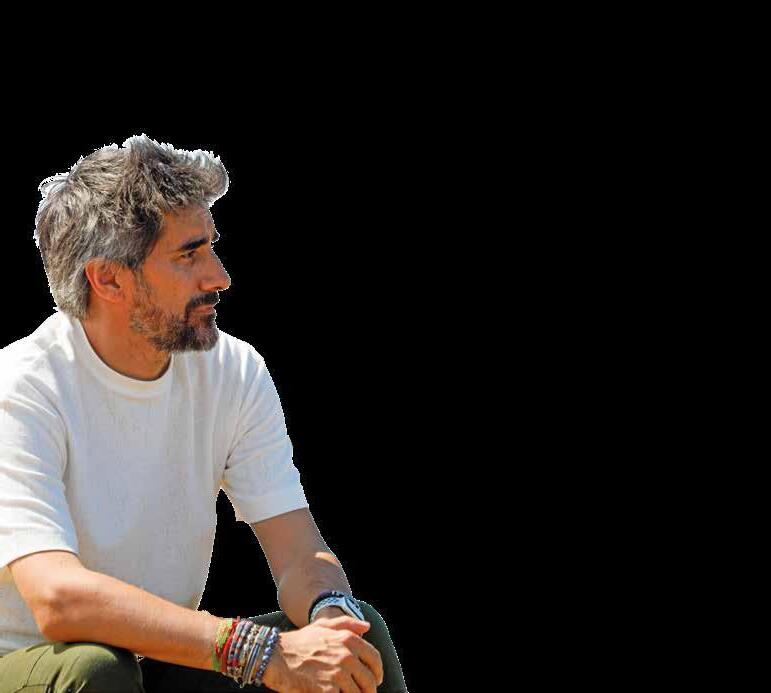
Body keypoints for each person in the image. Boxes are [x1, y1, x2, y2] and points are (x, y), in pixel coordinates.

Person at [0, 134, 408, 692]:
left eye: (212, 248)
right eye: (189, 255)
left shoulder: (233, 371)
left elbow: (298, 553)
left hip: (158, 659)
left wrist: (329, 617)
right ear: (109, 278)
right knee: (96, 670)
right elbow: (58, 600)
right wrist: (256, 652)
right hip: (31, 666)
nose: (219, 276)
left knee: (360, 642)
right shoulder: (21, 388)